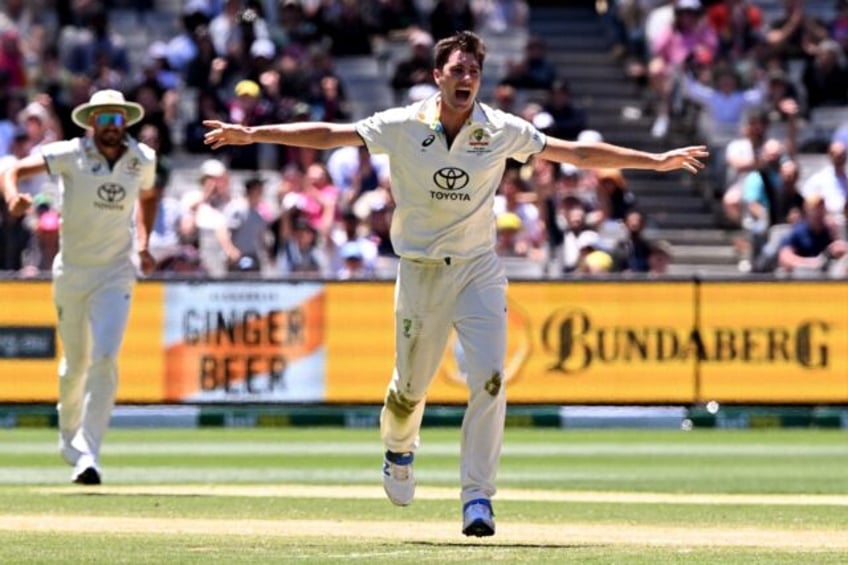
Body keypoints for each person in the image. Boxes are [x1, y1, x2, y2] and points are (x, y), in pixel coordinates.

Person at [202, 30, 707, 537]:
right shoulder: (403, 124)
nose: (467, 79)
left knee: (489, 378)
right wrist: (254, 134)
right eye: (458, 71)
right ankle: (399, 451)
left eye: (474, 72)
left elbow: (574, 154)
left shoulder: (499, 128)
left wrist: (654, 162)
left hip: (477, 268)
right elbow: (331, 134)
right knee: (408, 391)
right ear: (437, 76)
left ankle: (478, 498)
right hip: (420, 270)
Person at [0, 89, 157, 485]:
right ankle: (68, 437)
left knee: (105, 358)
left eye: (116, 120)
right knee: (75, 365)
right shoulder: (71, 153)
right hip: (71, 272)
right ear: (91, 123)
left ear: (125, 123)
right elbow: (12, 169)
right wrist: (12, 198)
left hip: (116, 273)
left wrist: (144, 241)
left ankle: (89, 452)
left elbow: (150, 195)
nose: (110, 128)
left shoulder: (142, 159)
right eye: (102, 120)